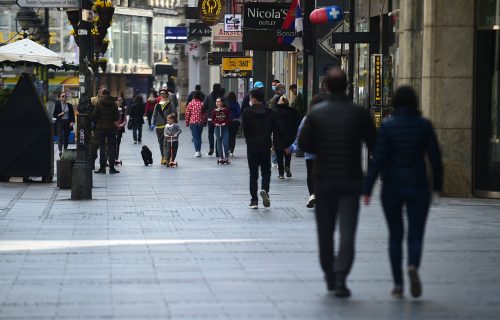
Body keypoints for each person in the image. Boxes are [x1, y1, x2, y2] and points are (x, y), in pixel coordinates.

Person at [298, 69, 375, 297]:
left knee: (325, 229)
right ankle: (341, 275)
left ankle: (329, 272)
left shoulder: (316, 113)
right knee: (348, 230)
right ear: (347, 87)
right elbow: (374, 143)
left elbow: (305, 145)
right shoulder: (359, 113)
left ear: (327, 88)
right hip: (351, 179)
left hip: (324, 180)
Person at [362, 86, 443, 299]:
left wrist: (368, 188)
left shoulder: (388, 126)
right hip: (418, 184)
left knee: (395, 235)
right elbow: (435, 159)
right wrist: (437, 188)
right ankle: (413, 266)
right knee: (416, 234)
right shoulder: (424, 126)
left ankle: (398, 284)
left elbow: (377, 158)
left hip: (392, 186)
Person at [242, 89, 282, 209]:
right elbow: (276, 129)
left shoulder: (247, 111)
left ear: (253, 98)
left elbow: (245, 130)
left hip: (252, 146)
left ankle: (254, 201)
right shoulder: (270, 112)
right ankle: (265, 190)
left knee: (253, 174)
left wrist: (249, 139)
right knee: (266, 171)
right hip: (265, 145)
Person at [289, 95, 326, 208]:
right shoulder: (328, 117)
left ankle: (312, 195)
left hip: (310, 152)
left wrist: (293, 148)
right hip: (324, 152)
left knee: (310, 174)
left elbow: (300, 133)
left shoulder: (308, 118)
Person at [91, 89, 120, 174]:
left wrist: (98, 121)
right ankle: (111, 168)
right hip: (111, 128)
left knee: (102, 148)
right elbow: (116, 118)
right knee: (111, 148)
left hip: (101, 128)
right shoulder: (114, 104)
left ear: (102, 94)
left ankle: (102, 168)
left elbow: (94, 116)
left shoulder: (99, 104)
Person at [272, 96, 299, 179]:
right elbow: (297, 124)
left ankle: (281, 173)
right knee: (288, 152)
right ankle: (287, 166)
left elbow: (271, 124)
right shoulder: (293, 112)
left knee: (279, 155)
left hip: (278, 136)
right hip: (289, 136)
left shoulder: (274, 112)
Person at [151, 88, 176, 165]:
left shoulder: (170, 104)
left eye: (163, 93)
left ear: (166, 95)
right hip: (159, 126)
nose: (162, 95)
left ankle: (166, 158)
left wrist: (170, 120)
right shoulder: (157, 105)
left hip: (167, 126)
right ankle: (163, 157)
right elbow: (154, 115)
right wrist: (152, 123)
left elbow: (174, 114)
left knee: (166, 143)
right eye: (161, 93)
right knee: (160, 143)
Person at [202, 83, 223, 156]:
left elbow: (203, 106)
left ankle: (211, 148)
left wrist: (206, 113)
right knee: (219, 134)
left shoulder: (208, 96)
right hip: (220, 118)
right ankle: (218, 150)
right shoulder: (221, 97)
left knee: (210, 133)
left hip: (210, 118)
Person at [52, 92, 75, 157]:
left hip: (67, 122)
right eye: (62, 96)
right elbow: (54, 115)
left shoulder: (69, 105)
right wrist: (60, 114)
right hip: (60, 122)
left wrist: (72, 122)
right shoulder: (58, 105)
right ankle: (60, 151)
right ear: (60, 98)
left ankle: (65, 150)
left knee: (66, 137)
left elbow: (72, 114)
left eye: (65, 96)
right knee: (60, 137)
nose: (64, 97)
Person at [185, 90, 206, 157]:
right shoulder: (202, 104)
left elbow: (187, 114)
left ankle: (197, 151)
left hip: (193, 122)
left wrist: (187, 122)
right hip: (200, 122)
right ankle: (199, 151)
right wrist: (205, 122)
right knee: (199, 137)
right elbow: (204, 114)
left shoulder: (190, 104)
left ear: (193, 97)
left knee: (195, 137)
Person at [211, 97, 231, 164]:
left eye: (219, 101)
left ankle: (227, 157)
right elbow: (213, 119)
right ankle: (221, 157)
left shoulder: (225, 110)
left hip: (224, 128)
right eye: (216, 101)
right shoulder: (214, 111)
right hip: (217, 128)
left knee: (225, 143)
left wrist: (225, 123)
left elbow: (228, 118)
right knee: (219, 143)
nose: (217, 102)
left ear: (222, 103)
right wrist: (215, 123)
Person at [227, 91, 241, 156]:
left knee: (228, 136)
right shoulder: (237, 104)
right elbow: (239, 113)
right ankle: (232, 151)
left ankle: (228, 149)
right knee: (233, 136)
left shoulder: (227, 104)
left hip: (228, 122)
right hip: (235, 122)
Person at [114, 96, 127, 165]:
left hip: (120, 129)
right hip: (113, 128)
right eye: (119, 100)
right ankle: (112, 158)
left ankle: (116, 158)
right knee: (113, 144)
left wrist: (122, 125)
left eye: (121, 100)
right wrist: (116, 125)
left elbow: (125, 119)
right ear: (116, 101)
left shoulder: (123, 109)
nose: (120, 101)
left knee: (118, 144)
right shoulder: (113, 108)